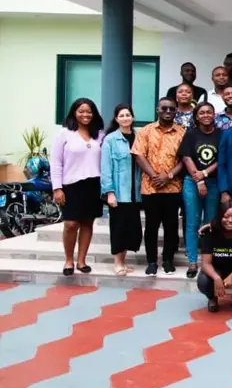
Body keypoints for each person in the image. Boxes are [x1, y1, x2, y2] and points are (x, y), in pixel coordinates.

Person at [51, 98, 104, 276]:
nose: (85, 114)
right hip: (71, 184)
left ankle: (81, 261)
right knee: (71, 224)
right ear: (74, 113)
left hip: (93, 184)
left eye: (89, 111)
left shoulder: (99, 135)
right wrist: (57, 188)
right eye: (81, 111)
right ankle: (68, 260)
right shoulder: (64, 134)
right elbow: (56, 162)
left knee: (87, 222)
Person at [132, 97, 185, 276]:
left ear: (176, 110)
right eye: (164, 108)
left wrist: (168, 176)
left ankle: (168, 260)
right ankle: (152, 261)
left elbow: (185, 159)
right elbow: (139, 155)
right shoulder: (145, 131)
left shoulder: (182, 133)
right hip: (151, 187)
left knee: (171, 226)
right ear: (157, 110)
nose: (168, 112)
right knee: (152, 226)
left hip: (173, 187)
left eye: (171, 109)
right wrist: (156, 177)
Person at [180, 102, 222, 279]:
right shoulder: (190, 134)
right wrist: (198, 179)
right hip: (191, 182)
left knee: (210, 222)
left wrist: (204, 174)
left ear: (214, 115)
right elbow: (186, 157)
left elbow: (222, 159)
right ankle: (192, 261)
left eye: (209, 112)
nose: (205, 115)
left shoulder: (221, 135)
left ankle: (207, 261)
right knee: (192, 222)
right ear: (196, 116)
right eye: (202, 113)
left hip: (213, 182)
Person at [101, 104, 142, 276]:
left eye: (128, 115)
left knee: (131, 228)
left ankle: (124, 261)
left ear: (132, 117)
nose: (125, 118)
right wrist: (109, 192)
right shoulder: (110, 139)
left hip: (136, 192)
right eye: (122, 115)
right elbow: (105, 168)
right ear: (117, 119)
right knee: (118, 228)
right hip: (119, 192)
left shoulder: (139, 136)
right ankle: (117, 262)